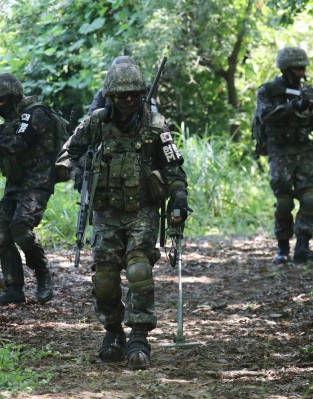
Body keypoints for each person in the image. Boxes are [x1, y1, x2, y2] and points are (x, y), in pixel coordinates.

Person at [63, 63, 189, 369]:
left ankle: (139, 336)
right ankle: (113, 332)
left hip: (142, 210)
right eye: (120, 96)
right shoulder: (96, 122)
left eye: (133, 95)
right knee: (104, 278)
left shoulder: (156, 125)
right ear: (110, 97)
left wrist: (179, 199)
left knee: (138, 270)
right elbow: (70, 152)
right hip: (106, 211)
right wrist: (83, 172)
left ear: (141, 95)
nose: (127, 101)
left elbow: (174, 170)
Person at [254, 46, 313, 265]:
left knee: (309, 198)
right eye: (296, 68)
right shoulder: (268, 91)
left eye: (302, 68)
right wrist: (294, 105)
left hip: (304, 149)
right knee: (284, 202)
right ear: (285, 68)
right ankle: (282, 248)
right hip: (280, 150)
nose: (301, 72)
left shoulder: (308, 90)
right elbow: (266, 116)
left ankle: (303, 247)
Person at [0, 72, 56, 305]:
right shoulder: (7, 119)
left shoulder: (36, 113)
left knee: (20, 228)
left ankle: (42, 272)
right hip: (15, 183)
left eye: (3, 99)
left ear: (14, 95)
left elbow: (17, 144)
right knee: (1, 235)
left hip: (37, 182)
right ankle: (13, 289)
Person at [88, 56, 158, 115]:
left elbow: (154, 116)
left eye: (133, 94)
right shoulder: (104, 93)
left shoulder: (143, 90)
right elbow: (92, 116)